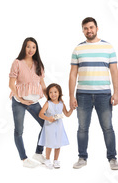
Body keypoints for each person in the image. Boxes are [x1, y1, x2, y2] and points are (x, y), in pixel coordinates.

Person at [69, 17, 118, 170]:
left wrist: (116, 93)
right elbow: (72, 74)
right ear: (83, 30)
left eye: (91, 27)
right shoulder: (78, 49)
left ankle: (112, 158)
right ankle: (82, 157)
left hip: (103, 94)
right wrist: (71, 96)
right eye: (85, 28)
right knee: (82, 128)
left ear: (97, 28)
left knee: (108, 127)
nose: (89, 30)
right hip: (82, 94)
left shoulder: (108, 47)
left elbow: (114, 72)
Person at [10, 37, 49, 168]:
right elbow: (11, 84)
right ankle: (24, 159)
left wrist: (50, 99)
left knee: (46, 124)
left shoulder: (38, 64)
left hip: (33, 102)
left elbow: (42, 83)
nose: (31, 49)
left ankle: (38, 153)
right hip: (18, 101)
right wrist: (20, 99)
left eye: (33, 47)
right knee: (19, 131)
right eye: (28, 46)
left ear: (36, 49)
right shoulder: (17, 62)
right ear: (24, 47)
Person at [38, 83, 73, 169]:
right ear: (48, 94)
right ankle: (47, 159)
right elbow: (40, 114)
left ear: (59, 93)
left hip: (59, 127)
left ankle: (56, 160)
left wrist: (72, 108)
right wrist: (48, 118)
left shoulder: (61, 103)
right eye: (51, 92)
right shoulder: (48, 103)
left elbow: (67, 114)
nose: (53, 94)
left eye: (55, 92)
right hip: (49, 127)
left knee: (58, 144)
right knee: (49, 144)